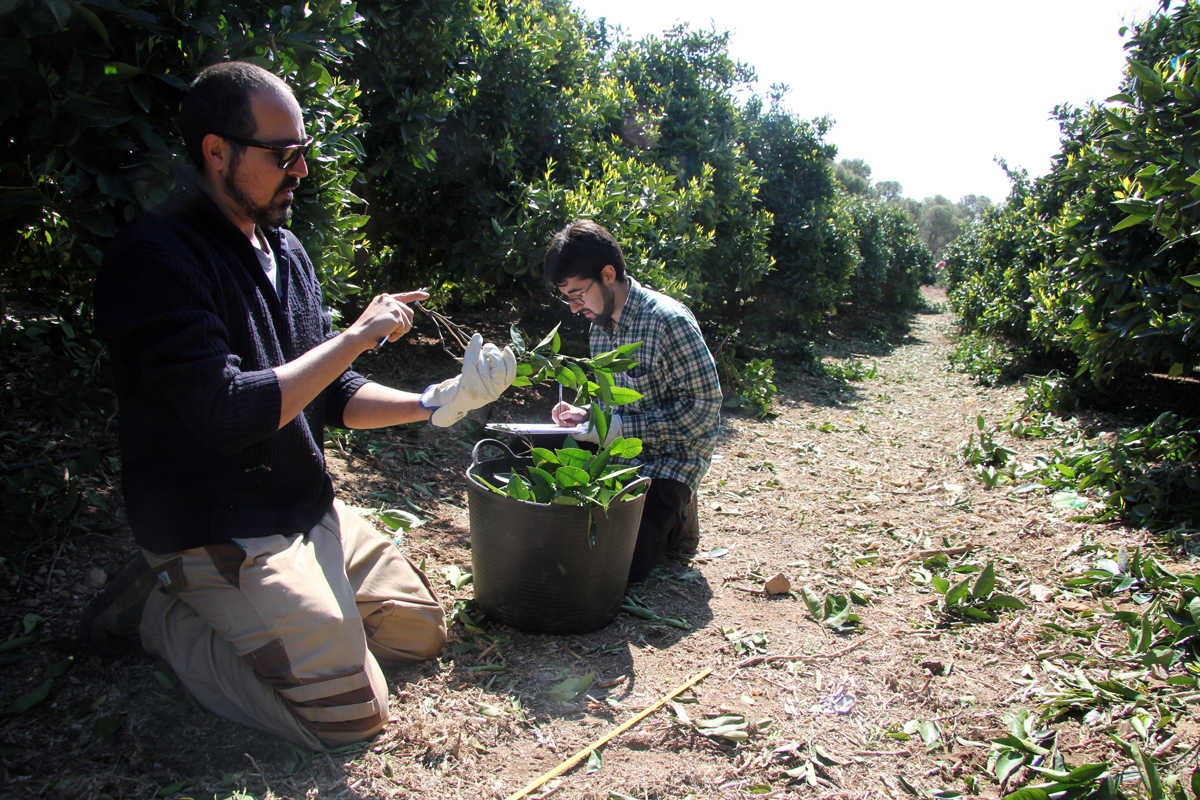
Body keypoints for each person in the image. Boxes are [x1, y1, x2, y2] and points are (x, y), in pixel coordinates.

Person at [83, 61, 516, 751]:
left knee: (418, 631)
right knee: (352, 716)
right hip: (221, 526)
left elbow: (330, 393)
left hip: (306, 509)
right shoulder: (155, 260)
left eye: (304, 151)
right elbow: (226, 410)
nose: (302, 172)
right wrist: (355, 336)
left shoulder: (287, 250)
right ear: (216, 152)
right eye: (283, 155)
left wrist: (439, 401)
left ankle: (302, 619)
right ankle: (161, 614)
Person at [544, 219, 722, 583]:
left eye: (579, 295)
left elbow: (703, 411)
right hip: (621, 457)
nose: (575, 308)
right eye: (569, 299)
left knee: (617, 565)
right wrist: (587, 415)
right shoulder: (599, 328)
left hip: (669, 463)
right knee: (550, 512)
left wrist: (620, 428)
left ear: (608, 274)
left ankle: (678, 516)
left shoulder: (667, 321)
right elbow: (614, 404)